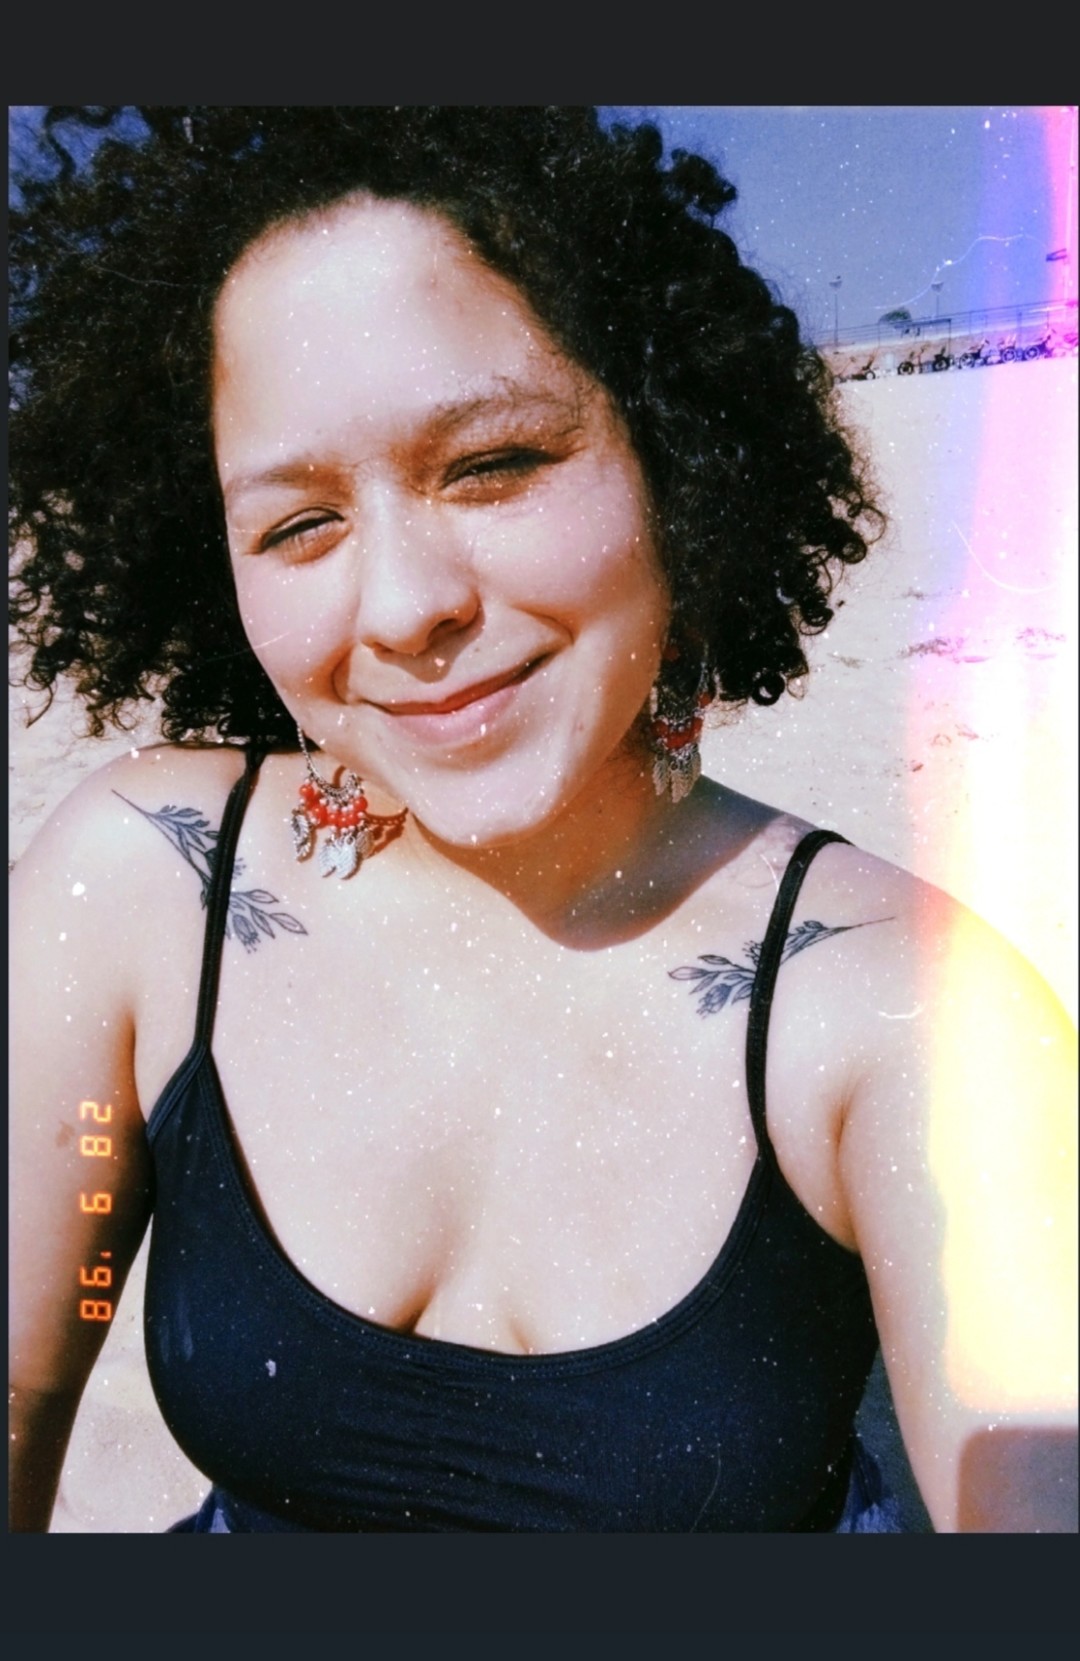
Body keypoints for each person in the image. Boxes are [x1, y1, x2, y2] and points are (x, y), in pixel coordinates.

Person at [9, 106, 1076, 1534]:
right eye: (299, 525)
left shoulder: (909, 1009)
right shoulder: (142, 885)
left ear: (673, 454)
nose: (406, 607)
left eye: (495, 463)